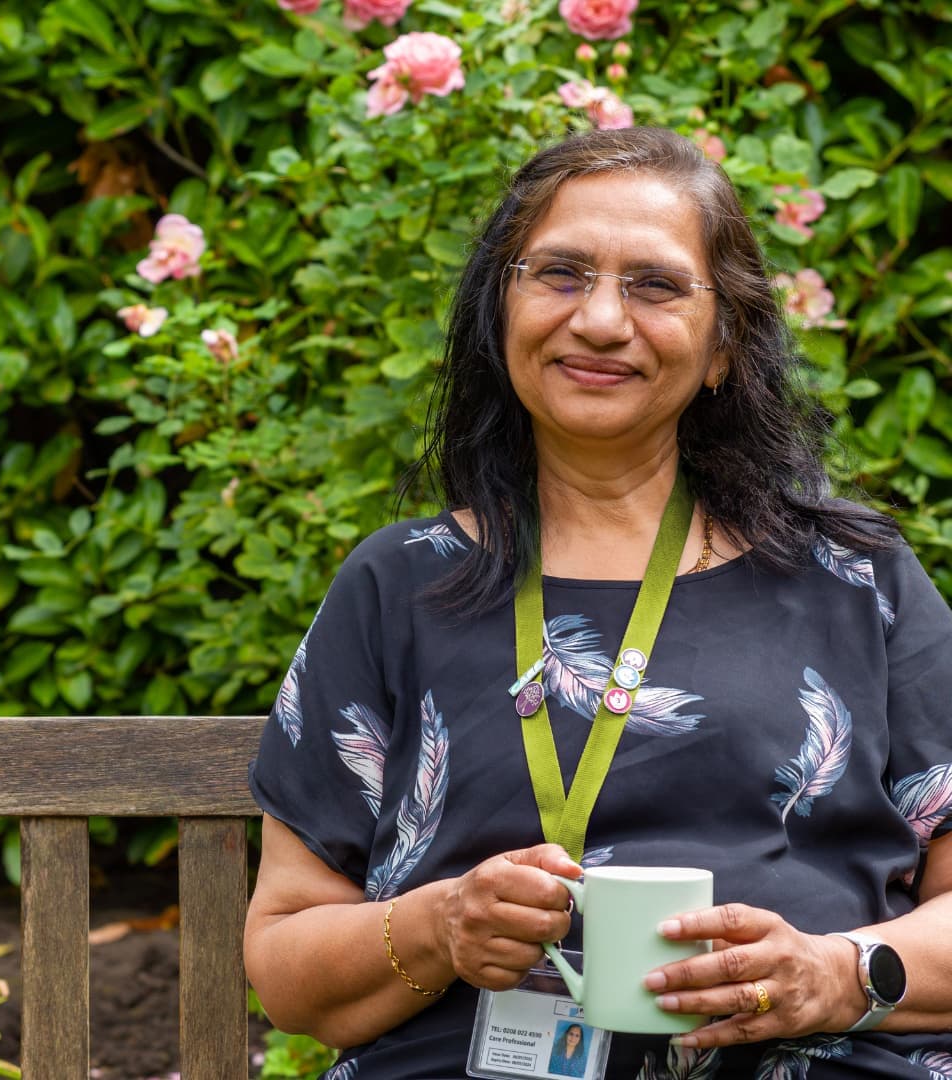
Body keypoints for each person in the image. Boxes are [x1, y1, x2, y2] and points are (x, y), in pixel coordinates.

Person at [243, 127, 952, 1078]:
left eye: (656, 285)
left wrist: (837, 974)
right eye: (561, 274)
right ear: (502, 310)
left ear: (723, 347)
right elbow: (287, 966)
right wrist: (439, 926)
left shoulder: (855, 580)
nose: (603, 320)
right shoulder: (397, 586)